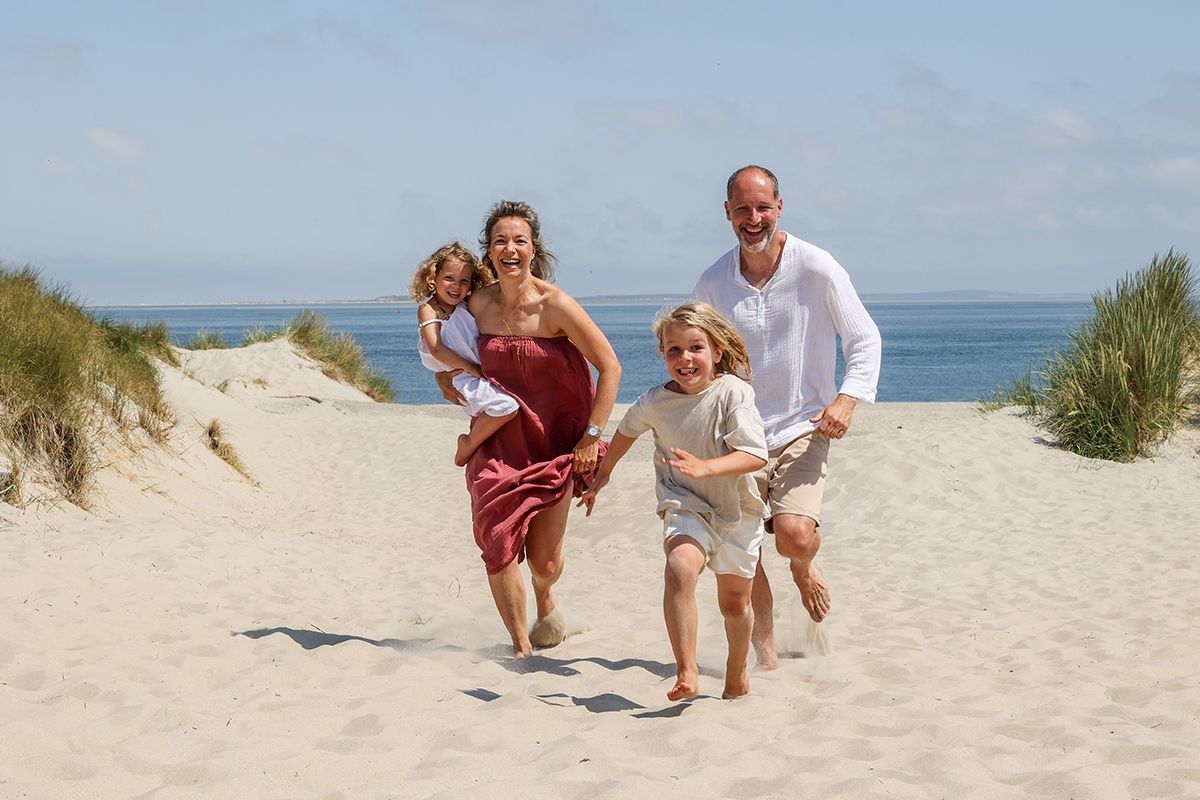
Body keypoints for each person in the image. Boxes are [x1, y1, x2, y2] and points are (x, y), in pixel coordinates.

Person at [693, 165, 882, 670]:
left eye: (762, 208)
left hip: (803, 425)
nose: (753, 219)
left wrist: (847, 399)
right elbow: (697, 356)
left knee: (794, 535)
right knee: (747, 549)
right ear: (727, 214)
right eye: (742, 210)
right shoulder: (712, 282)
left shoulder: (817, 267)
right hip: (739, 435)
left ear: (780, 208)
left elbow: (863, 339)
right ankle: (767, 653)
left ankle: (803, 566)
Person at [436, 200, 621, 658]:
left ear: (534, 248)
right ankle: (521, 647)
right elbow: (441, 343)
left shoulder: (555, 305)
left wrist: (592, 438)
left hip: (556, 443)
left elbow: (610, 366)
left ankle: (546, 597)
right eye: (500, 240)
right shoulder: (477, 306)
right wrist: (445, 375)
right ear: (489, 251)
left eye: (519, 240)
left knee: (545, 561)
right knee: (496, 540)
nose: (510, 248)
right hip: (499, 444)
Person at [578, 302, 767, 700]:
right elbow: (627, 432)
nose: (685, 358)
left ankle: (737, 670)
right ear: (663, 355)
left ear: (717, 352)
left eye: (696, 347)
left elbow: (755, 455)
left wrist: (706, 467)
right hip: (684, 504)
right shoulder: (654, 401)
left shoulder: (734, 392)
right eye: (673, 350)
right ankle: (687, 671)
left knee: (735, 606)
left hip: (738, 513)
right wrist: (603, 474)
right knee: (680, 568)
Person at [410, 242, 518, 467]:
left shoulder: (466, 306)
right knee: (506, 406)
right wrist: (473, 369)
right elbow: (437, 348)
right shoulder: (428, 309)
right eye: (449, 278)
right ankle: (467, 444)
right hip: (462, 375)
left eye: (464, 281)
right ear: (433, 278)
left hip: (480, 373)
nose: (456, 286)